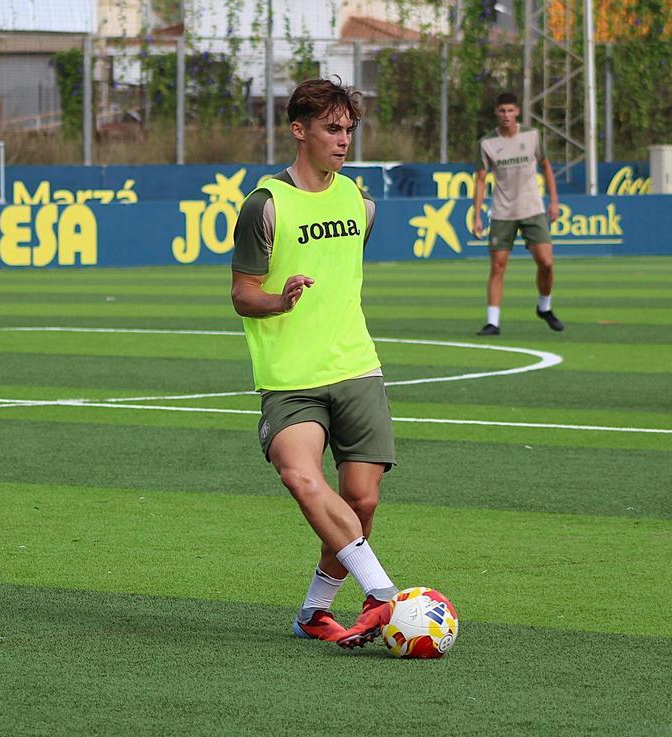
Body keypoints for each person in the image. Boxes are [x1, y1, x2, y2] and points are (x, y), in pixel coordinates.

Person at [230, 78, 399, 650]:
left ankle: (315, 611)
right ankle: (382, 594)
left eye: (349, 128)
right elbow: (242, 293)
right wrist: (281, 300)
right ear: (299, 130)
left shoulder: (360, 201)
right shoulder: (265, 206)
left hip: (356, 367)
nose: (344, 139)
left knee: (361, 501)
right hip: (290, 379)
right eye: (332, 128)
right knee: (301, 477)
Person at [471, 92, 563, 335]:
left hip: (533, 208)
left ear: (517, 112)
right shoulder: (487, 143)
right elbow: (481, 180)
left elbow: (546, 167)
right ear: (496, 113)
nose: (506, 115)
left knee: (546, 262)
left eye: (510, 111)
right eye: (502, 111)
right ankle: (493, 322)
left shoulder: (532, 135)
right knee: (498, 267)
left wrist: (554, 201)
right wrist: (477, 215)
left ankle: (544, 306)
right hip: (502, 212)